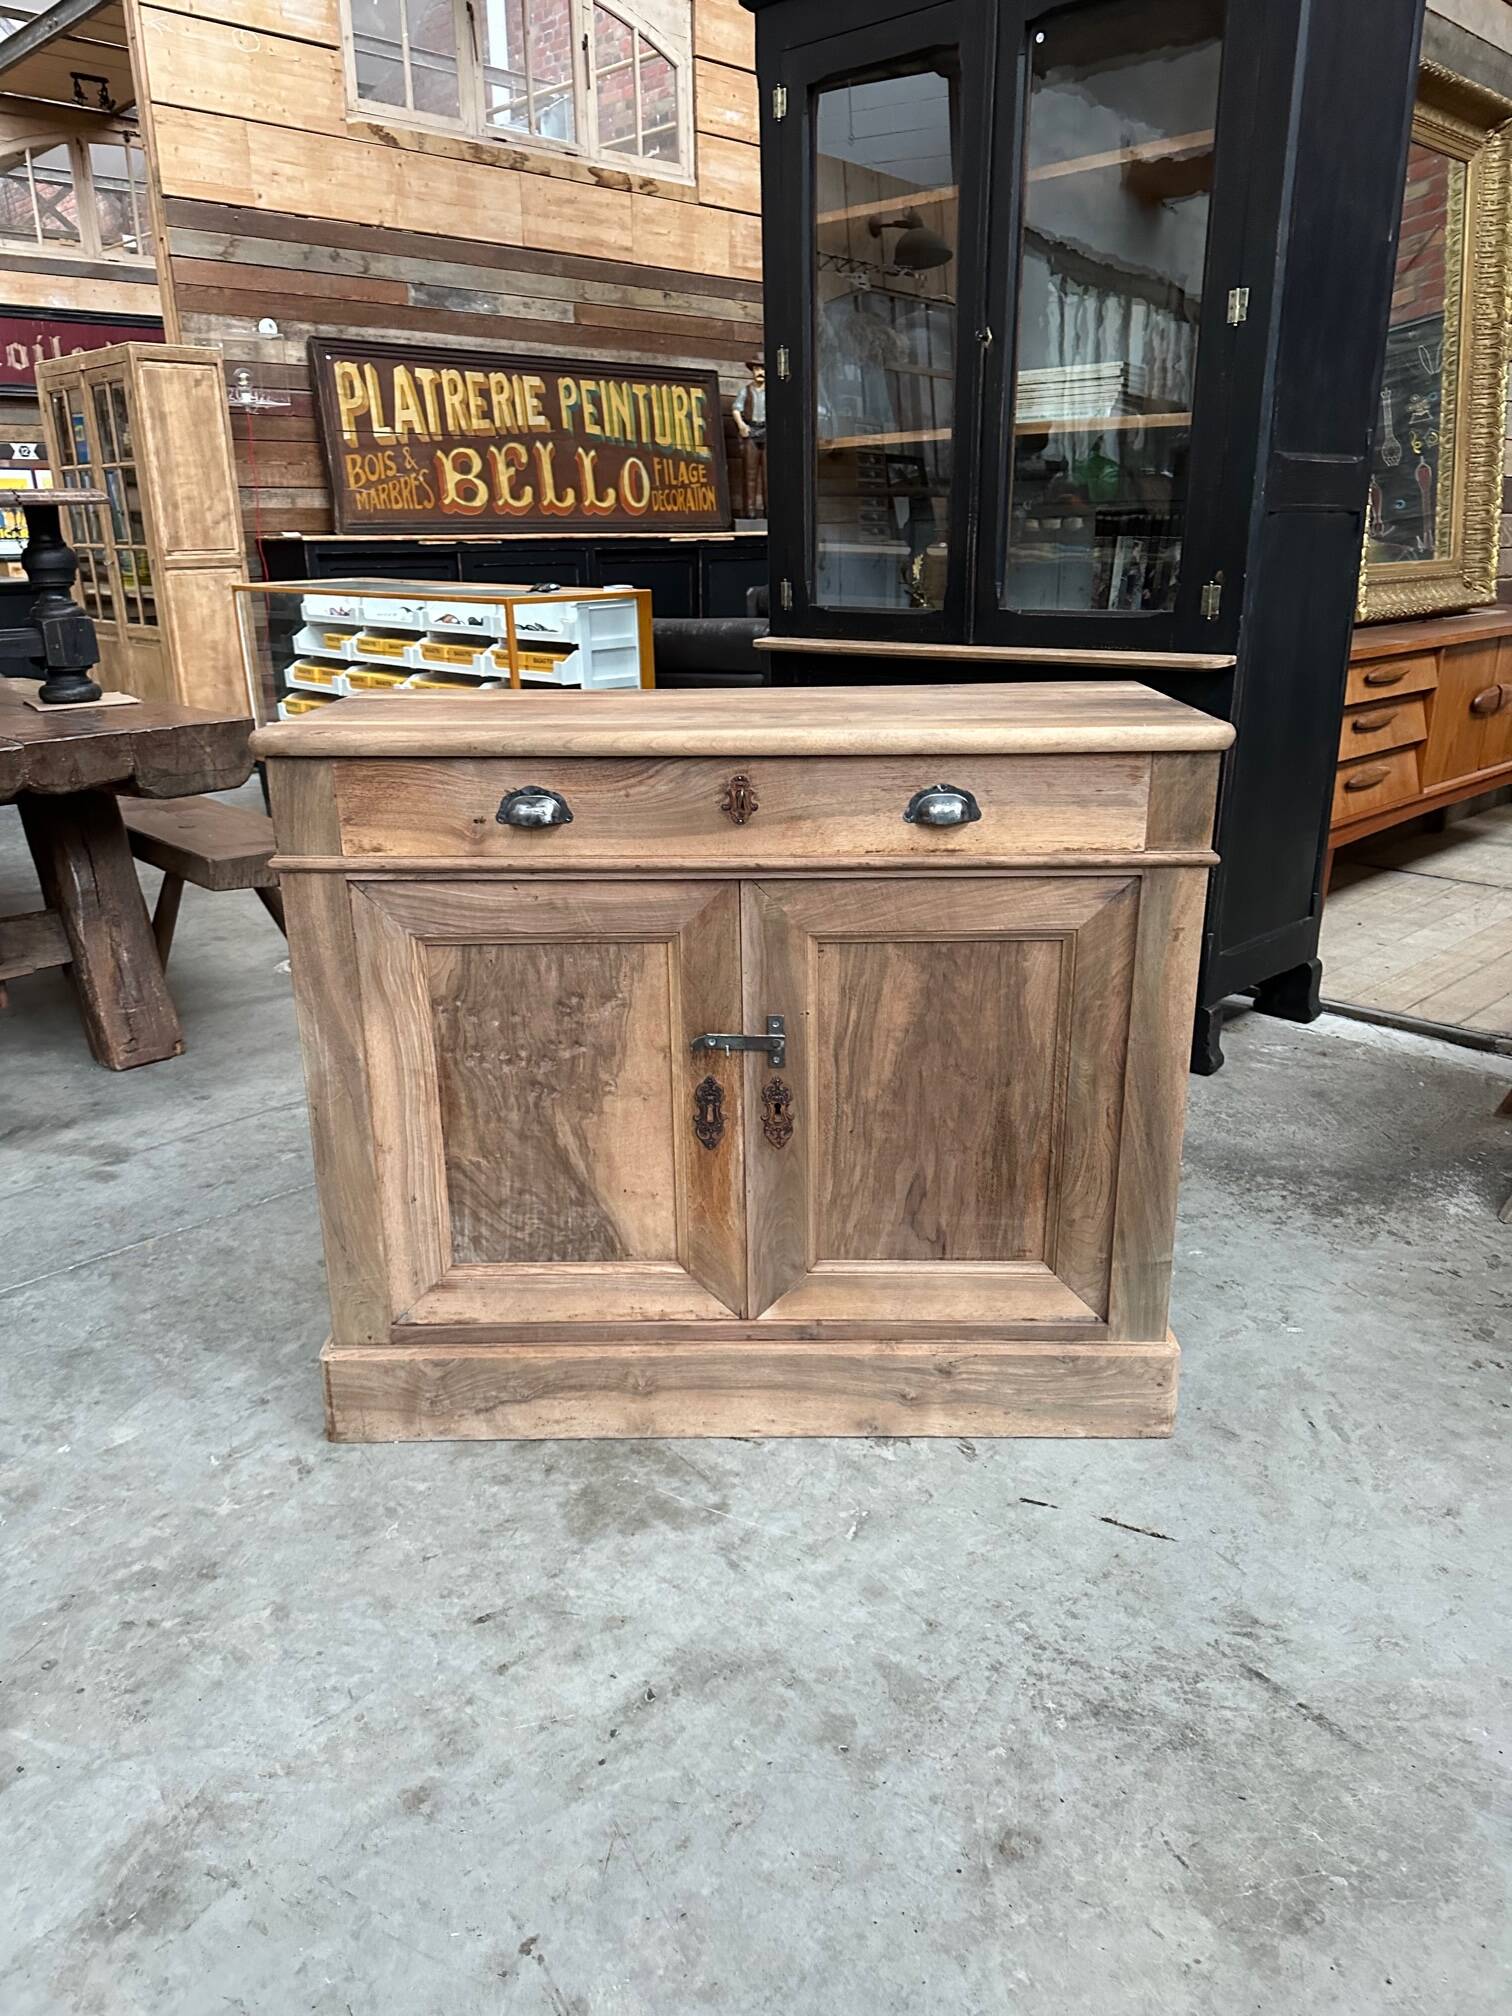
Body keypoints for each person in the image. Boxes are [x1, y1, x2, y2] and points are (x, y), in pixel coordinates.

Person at [733, 358, 767, 518]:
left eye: (763, 369)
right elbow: (736, 409)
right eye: (757, 369)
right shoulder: (745, 391)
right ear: (753, 371)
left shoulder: (772, 391)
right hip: (751, 430)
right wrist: (741, 425)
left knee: (769, 474)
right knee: (750, 473)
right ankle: (750, 511)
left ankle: (770, 511)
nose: (760, 373)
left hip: (767, 431)